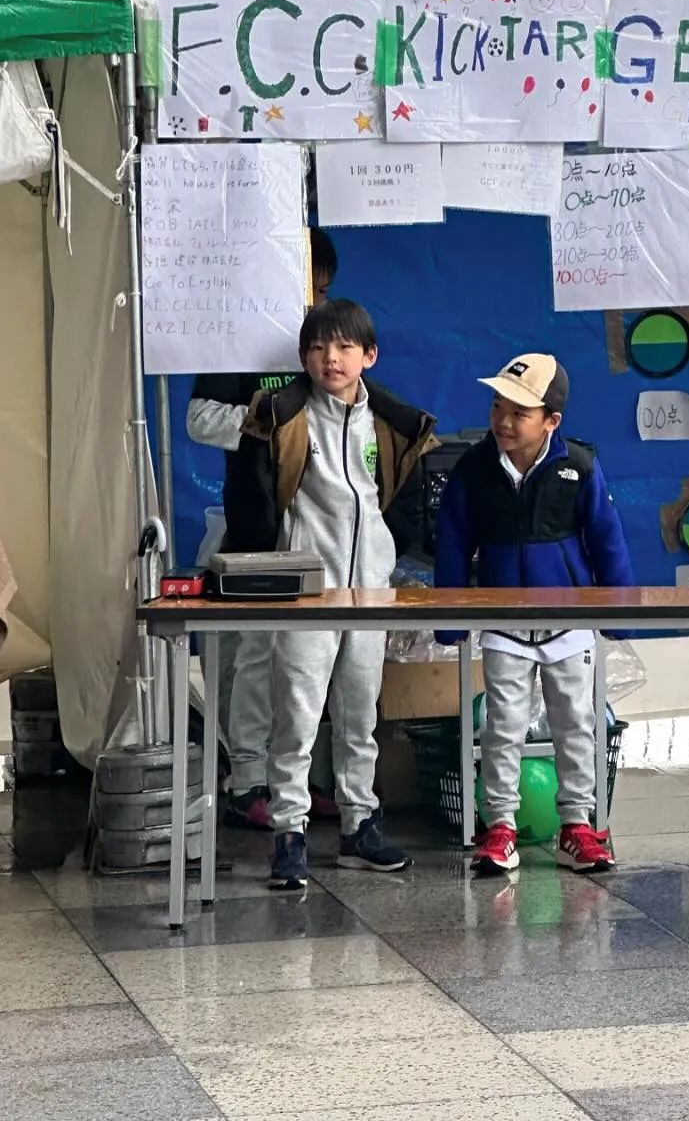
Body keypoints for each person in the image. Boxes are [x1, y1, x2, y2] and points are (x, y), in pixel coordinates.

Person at [235, 297, 438, 890]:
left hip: (370, 590)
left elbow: (398, 500)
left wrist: (386, 556)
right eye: (320, 347)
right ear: (303, 356)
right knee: (296, 719)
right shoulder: (284, 415)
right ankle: (289, 835)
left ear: (368, 356)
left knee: (358, 716)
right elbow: (254, 498)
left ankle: (359, 827)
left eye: (346, 346)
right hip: (306, 592)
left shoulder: (391, 422)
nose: (332, 357)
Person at [435, 354, 634, 878]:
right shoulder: (474, 469)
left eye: (520, 411)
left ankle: (577, 826)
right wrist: (450, 619)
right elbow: (452, 545)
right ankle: (499, 828)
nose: (503, 420)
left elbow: (607, 540)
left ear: (552, 421)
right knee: (502, 728)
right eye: (498, 405)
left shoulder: (580, 467)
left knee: (577, 725)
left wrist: (616, 612)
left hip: (569, 624)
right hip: (503, 624)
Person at [186, 227, 341, 831]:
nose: (313, 299)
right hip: (256, 522)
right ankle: (247, 780)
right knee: (254, 653)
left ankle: (299, 780)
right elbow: (198, 418)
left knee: (311, 655)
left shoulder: (333, 344)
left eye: (322, 289)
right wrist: (256, 422)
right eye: (306, 285)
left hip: (320, 525)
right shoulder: (242, 338)